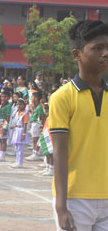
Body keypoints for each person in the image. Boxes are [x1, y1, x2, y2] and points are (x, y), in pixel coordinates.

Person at [50, 20, 108, 231]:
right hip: (75, 198)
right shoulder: (62, 97)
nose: (105, 53)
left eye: (107, 47)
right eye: (98, 48)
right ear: (77, 55)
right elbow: (59, 153)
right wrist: (61, 206)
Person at [10, 98, 29, 168]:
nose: (19, 106)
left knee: (20, 148)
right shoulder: (17, 113)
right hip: (16, 130)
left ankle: (20, 162)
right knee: (17, 147)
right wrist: (13, 126)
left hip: (21, 131)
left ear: (24, 105)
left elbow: (25, 125)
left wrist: (23, 134)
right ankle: (17, 161)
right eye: (18, 104)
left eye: (21, 104)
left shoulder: (25, 114)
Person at [25, 92, 45, 161]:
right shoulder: (35, 106)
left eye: (32, 97)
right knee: (34, 139)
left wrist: (42, 126)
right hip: (33, 123)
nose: (31, 98)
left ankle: (36, 153)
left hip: (37, 124)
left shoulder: (39, 107)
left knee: (35, 139)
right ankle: (34, 152)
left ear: (36, 98)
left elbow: (42, 117)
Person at [38, 103, 54, 176]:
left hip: (50, 138)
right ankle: (47, 167)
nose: (46, 112)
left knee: (51, 154)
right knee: (47, 153)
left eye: (47, 111)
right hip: (46, 137)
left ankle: (51, 168)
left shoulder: (53, 118)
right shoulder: (47, 118)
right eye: (45, 111)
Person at [0, 90, 11, 162]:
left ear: (8, 97)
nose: (3, 98)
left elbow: (8, 117)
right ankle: (1, 153)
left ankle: (3, 155)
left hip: (4, 124)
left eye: (5, 96)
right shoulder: (1, 105)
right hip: (0, 124)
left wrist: (5, 127)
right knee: (0, 140)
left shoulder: (8, 106)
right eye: (2, 96)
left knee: (4, 140)